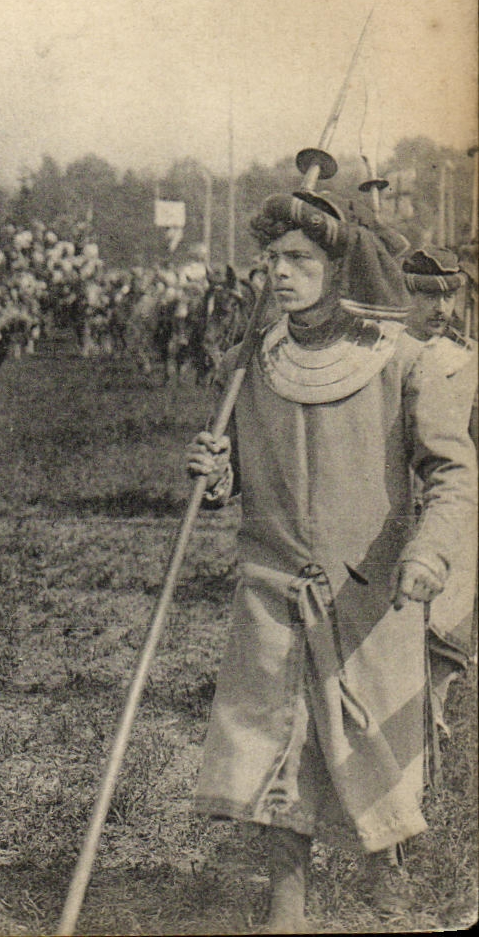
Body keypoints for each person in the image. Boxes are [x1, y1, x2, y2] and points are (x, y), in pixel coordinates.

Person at [185, 194, 475, 931]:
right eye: (273, 260)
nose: (280, 274)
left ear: (335, 267)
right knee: (281, 740)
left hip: (371, 593)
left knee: (370, 740)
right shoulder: (249, 365)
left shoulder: (399, 362)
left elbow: (452, 472)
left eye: (300, 261)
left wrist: (429, 551)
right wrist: (216, 474)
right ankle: (288, 895)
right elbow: (237, 475)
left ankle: (388, 878)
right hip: (273, 588)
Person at [399, 245, 477, 748]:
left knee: (444, 626)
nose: (441, 309)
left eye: (450, 296)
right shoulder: (380, 358)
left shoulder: (467, 362)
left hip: (449, 516)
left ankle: (431, 729)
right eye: (427, 296)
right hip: (391, 510)